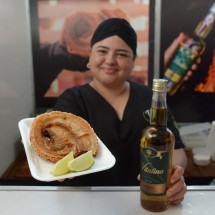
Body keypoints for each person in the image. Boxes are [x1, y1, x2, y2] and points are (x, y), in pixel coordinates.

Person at [54, 18, 187, 205]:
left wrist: (173, 175)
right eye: (102, 51)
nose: (110, 60)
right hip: (84, 202)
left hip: (144, 201)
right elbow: (58, 149)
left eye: (122, 54)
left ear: (133, 62)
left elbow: (177, 150)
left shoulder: (152, 99)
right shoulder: (72, 100)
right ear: (89, 58)